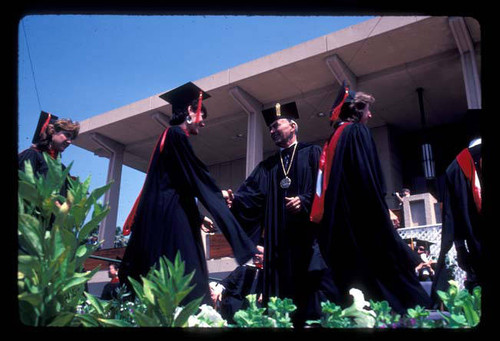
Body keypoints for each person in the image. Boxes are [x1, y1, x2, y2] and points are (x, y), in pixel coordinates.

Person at [118, 82, 258, 306]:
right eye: (201, 114)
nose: (203, 122)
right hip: (169, 216)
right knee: (187, 268)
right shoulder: (176, 135)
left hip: (166, 213)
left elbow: (180, 183)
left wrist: (197, 216)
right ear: (191, 112)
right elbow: (195, 175)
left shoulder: (168, 136)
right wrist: (218, 194)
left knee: (177, 268)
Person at [309, 81, 432, 314]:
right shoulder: (356, 132)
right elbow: (365, 177)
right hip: (361, 220)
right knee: (388, 272)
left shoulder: (333, 138)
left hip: (339, 227)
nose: (370, 114)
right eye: (367, 110)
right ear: (356, 111)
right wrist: (382, 209)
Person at [223, 102, 330, 327]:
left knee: (309, 296)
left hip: (307, 241)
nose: (272, 131)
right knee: (280, 300)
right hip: (278, 245)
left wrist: (305, 200)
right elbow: (249, 196)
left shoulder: (313, 153)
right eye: (269, 128)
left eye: (276, 125)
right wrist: (235, 202)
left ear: (292, 126)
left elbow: (325, 188)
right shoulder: (268, 166)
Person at [432, 135, 483, 298]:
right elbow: (454, 216)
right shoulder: (458, 170)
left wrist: (461, 249)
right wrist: (461, 249)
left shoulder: (456, 170)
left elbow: (453, 217)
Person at [18, 111, 80, 196]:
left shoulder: (62, 168)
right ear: (52, 131)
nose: (69, 141)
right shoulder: (32, 154)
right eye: (67, 135)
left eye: (72, 138)